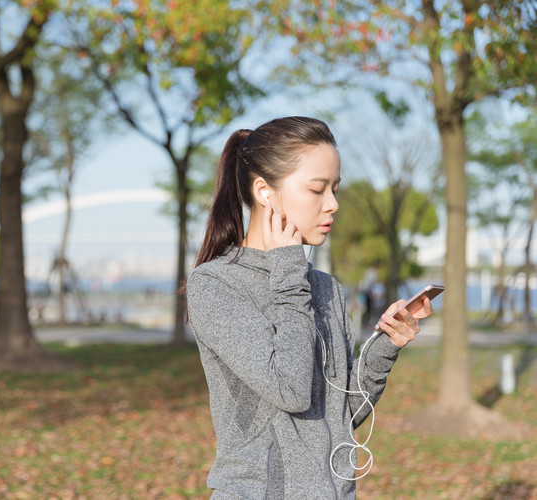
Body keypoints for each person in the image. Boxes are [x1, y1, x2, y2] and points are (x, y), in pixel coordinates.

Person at [184, 116, 433, 499]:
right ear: (265, 193)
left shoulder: (325, 287)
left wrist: (385, 345)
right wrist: (288, 271)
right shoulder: (215, 286)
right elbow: (291, 391)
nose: (332, 204)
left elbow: (341, 414)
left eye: (335, 189)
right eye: (317, 190)